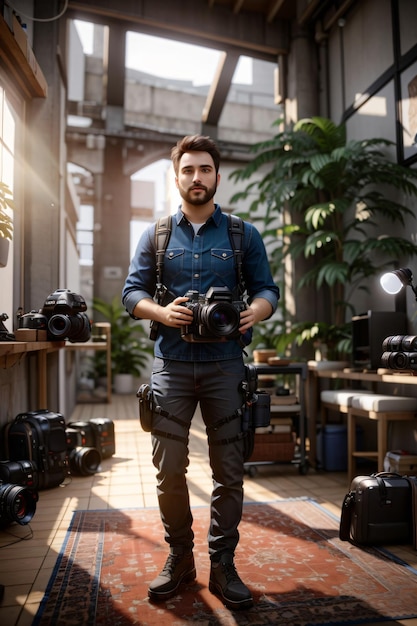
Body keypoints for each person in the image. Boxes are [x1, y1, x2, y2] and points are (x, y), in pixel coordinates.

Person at [122, 134, 279, 611]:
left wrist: (257, 311)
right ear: (177, 177)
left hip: (226, 366)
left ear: (216, 175)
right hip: (171, 366)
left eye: (205, 169)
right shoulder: (156, 235)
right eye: (188, 170)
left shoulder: (241, 234)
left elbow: (267, 289)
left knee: (229, 472)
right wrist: (161, 313)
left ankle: (223, 565)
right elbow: (132, 293)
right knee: (169, 470)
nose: (197, 177)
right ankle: (180, 559)